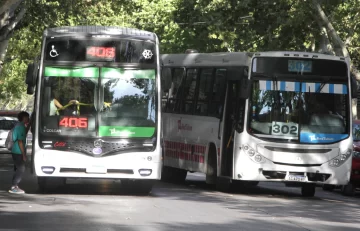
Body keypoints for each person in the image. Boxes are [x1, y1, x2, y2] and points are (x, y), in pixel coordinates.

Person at [8, 111, 29, 194]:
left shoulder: (20, 126)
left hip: (16, 150)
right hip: (18, 151)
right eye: (27, 117)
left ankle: (15, 185)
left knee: (18, 168)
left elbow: (23, 135)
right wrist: (24, 154)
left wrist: (29, 125)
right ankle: (14, 186)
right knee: (21, 168)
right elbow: (20, 141)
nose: (28, 119)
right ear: (24, 118)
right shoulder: (20, 127)